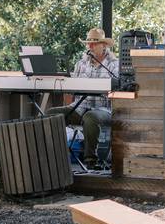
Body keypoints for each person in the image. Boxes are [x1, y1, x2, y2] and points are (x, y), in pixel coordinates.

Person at [46, 28, 119, 168]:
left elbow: (117, 89)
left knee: (90, 118)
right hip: (80, 108)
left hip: (104, 110)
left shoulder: (114, 64)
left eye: (94, 43)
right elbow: (73, 88)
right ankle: (55, 158)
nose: (90, 46)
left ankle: (91, 161)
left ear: (104, 45)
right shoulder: (81, 64)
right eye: (88, 43)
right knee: (51, 114)